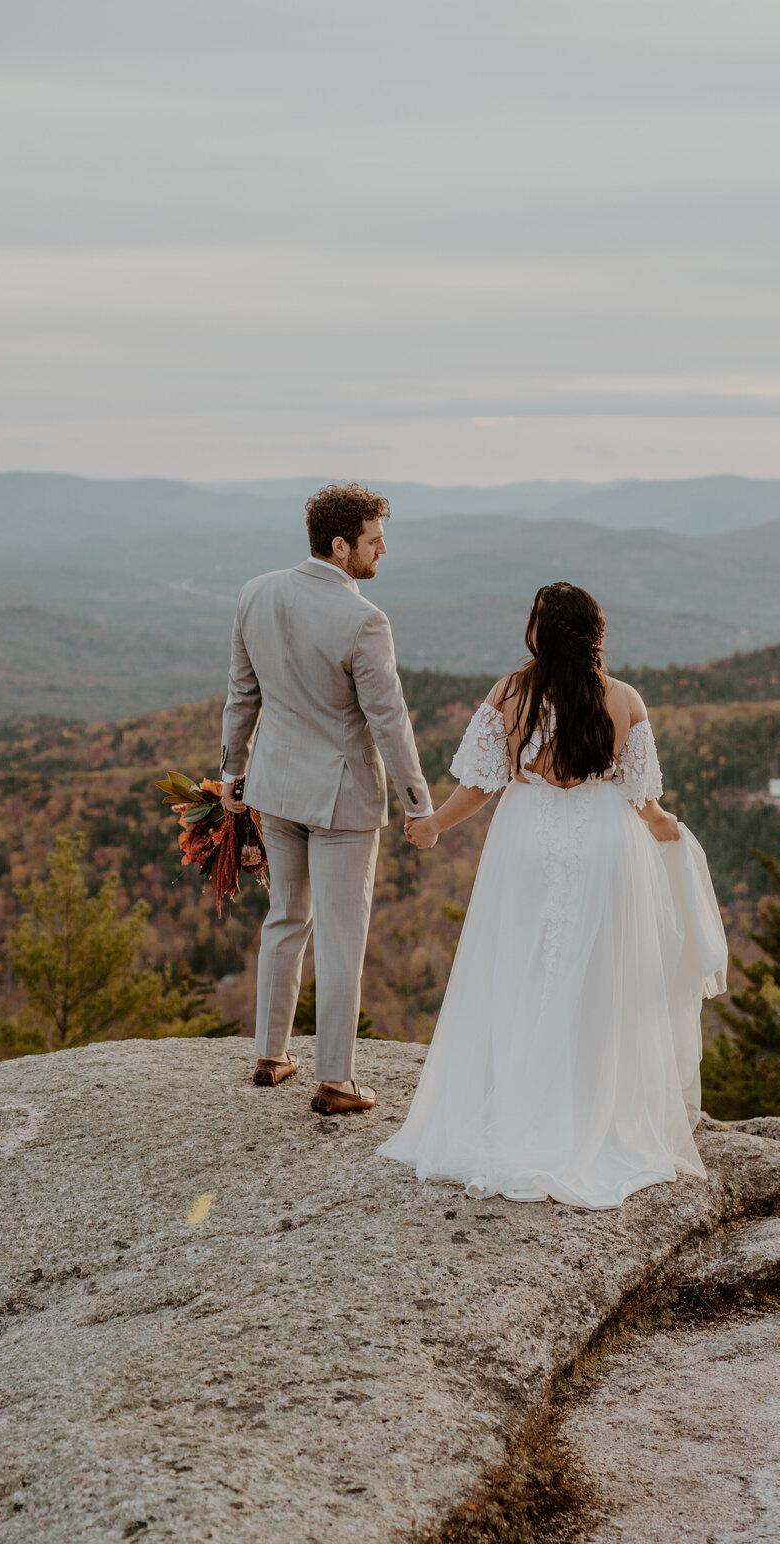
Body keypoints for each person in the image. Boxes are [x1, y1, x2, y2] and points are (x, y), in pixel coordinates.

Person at [378, 581, 728, 1208]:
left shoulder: (510, 693)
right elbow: (643, 800)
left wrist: (432, 826)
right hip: (602, 845)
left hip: (526, 841)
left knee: (520, 967)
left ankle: (516, 1103)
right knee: (597, 975)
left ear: (540, 631)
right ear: (594, 632)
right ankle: (591, 1110)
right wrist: (667, 832)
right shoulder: (623, 700)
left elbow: (481, 786)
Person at [220, 482, 432, 1115]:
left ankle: (270, 1054)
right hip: (340, 799)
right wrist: (418, 805)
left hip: (273, 787)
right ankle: (336, 1080)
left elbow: (241, 694)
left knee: (284, 919)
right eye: (373, 540)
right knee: (342, 938)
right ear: (341, 546)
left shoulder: (255, 592)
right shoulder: (364, 619)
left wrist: (231, 773)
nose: (382, 549)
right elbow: (388, 720)